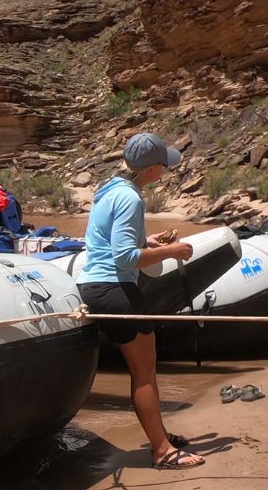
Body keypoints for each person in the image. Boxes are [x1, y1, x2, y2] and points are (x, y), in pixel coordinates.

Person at [77, 132, 205, 470]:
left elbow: (110, 241)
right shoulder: (131, 199)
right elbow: (125, 257)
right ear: (151, 168)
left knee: (144, 372)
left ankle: (161, 436)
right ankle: (162, 450)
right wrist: (173, 251)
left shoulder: (109, 190)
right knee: (145, 373)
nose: (165, 170)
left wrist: (150, 240)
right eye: (164, 164)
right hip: (114, 288)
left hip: (97, 284)